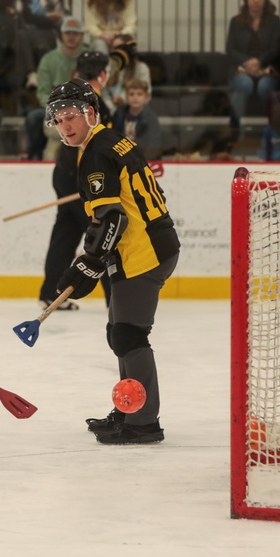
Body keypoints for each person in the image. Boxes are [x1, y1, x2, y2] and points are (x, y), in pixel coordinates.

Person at [45, 78, 180, 445]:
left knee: (128, 334)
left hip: (143, 252)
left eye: (71, 116)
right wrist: (95, 259)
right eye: (59, 119)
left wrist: (89, 261)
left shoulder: (95, 153)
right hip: (150, 243)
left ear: (90, 113)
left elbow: (113, 219)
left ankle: (143, 422)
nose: (65, 125)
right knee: (119, 331)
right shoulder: (115, 139)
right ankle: (129, 407)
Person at [38, 50, 113, 312]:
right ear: (103, 74)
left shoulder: (68, 94)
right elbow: (100, 148)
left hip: (63, 173)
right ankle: (114, 298)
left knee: (66, 232)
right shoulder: (94, 103)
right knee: (103, 235)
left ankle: (51, 292)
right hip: (85, 177)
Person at [25, 14, 87, 161]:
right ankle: (34, 155)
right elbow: (43, 92)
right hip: (53, 107)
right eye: (68, 33)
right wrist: (59, 108)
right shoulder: (49, 59)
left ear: (81, 35)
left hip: (83, 108)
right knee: (33, 118)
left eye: (75, 33)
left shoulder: (88, 57)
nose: (71, 37)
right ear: (61, 34)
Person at [225, 0, 280, 122]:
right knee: (245, 84)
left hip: (267, 69)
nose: (255, 1)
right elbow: (230, 50)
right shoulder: (235, 21)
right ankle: (233, 130)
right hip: (240, 69)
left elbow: (276, 49)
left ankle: (277, 127)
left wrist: (259, 62)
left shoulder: (274, 21)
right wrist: (248, 63)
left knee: (264, 86)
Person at [111, 78, 161, 159]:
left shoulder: (151, 118)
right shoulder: (119, 114)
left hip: (144, 161)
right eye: (131, 94)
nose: (135, 97)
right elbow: (112, 139)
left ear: (146, 97)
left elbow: (154, 147)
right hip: (121, 159)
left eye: (139, 94)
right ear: (126, 97)